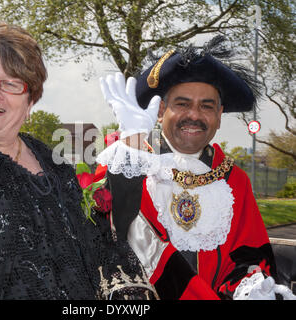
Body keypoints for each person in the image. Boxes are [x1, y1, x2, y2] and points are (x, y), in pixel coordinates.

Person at [0, 1, 155, 299]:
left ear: (31, 102)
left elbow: (98, 240)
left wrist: (132, 144)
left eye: (11, 83)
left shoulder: (52, 164)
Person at [96, 36, 296, 300]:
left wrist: (251, 289)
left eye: (207, 106)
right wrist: (132, 143)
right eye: (182, 103)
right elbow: (105, 233)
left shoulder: (234, 180)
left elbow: (250, 257)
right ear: (161, 110)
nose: (194, 115)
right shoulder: (126, 164)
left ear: (219, 116)